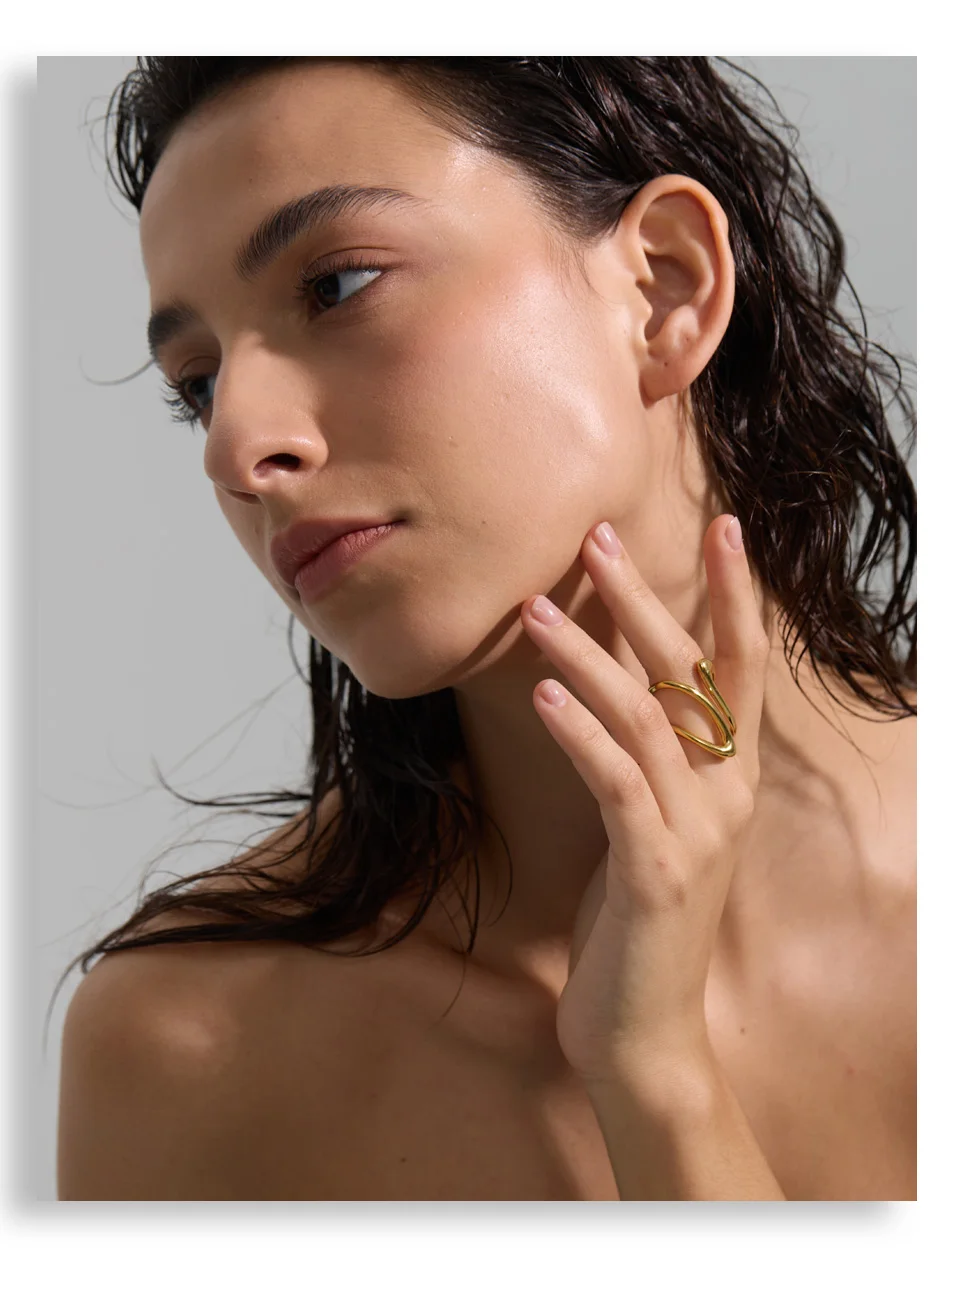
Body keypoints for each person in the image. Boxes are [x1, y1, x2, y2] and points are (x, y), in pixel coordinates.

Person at [55, 56, 916, 1201]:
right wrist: (649, 1068)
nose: (237, 446)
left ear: (663, 287)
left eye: (338, 285)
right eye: (198, 383)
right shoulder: (188, 1050)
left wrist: (656, 1070)